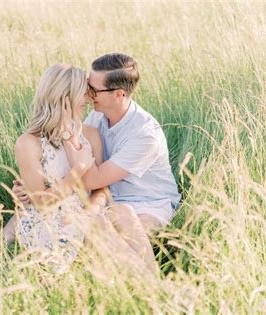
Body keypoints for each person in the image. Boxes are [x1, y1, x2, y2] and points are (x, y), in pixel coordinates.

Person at [13, 53, 181, 270]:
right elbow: (48, 191)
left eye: (93, 90)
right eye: (86, 88)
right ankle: (156, 289)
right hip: (84, 207)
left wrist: (71, 142)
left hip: (146, 201)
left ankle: (152, 286)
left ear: (119, 94)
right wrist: (25, 185)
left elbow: (95, 182)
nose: (89, 96)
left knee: (120, 221)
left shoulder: (143, 134)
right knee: (103, 223)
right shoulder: (95, 119)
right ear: (66, 98)